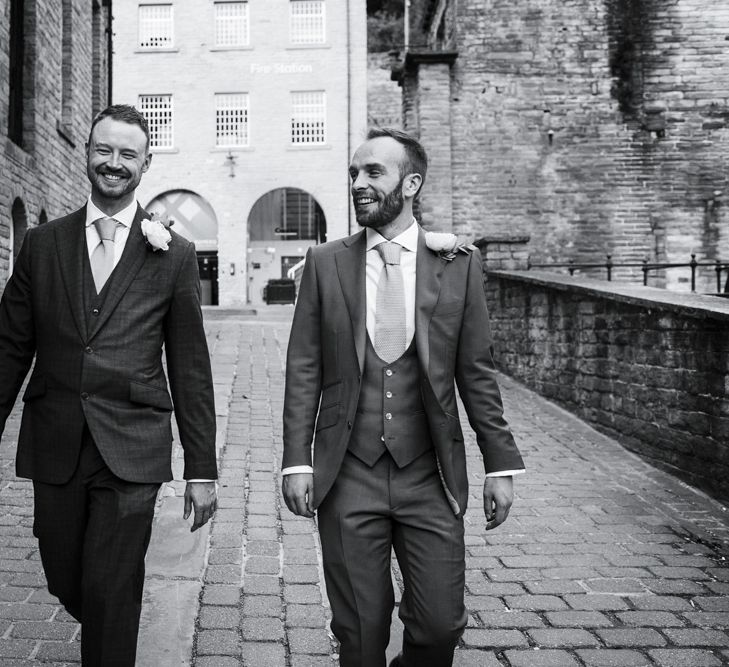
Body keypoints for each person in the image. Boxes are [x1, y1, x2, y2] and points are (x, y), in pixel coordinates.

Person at [281, 127, 525, 667]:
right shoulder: (326, 262)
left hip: (429, 474)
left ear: (411, 183)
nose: (358, 183)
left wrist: (500, 463)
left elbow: (477, 371)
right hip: (348, 473)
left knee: (440, 627)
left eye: (374, 173)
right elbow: (303, 368)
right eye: (353, 173)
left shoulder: (458, 265)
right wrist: (296, 461)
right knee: (360, 632)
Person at [0, 104, 218, 666]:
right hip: (56, 441)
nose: (113, 163)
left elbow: (190, 368)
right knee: (66, 578)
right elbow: (8, 348)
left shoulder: (173, 254)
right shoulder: (42, 244)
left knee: (113, 591)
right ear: (87, 155)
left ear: (145, 165)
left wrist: (201, 469)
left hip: (133, 446)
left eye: (127, 154)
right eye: (104, 150)